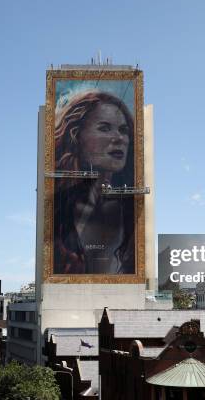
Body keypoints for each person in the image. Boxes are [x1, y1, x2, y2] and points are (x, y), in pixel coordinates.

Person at [53, 90, 135, 274]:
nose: (119, 138)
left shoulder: (131, 208)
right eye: (104, 128)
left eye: (124, 130)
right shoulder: (58, 205)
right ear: (76, 135)